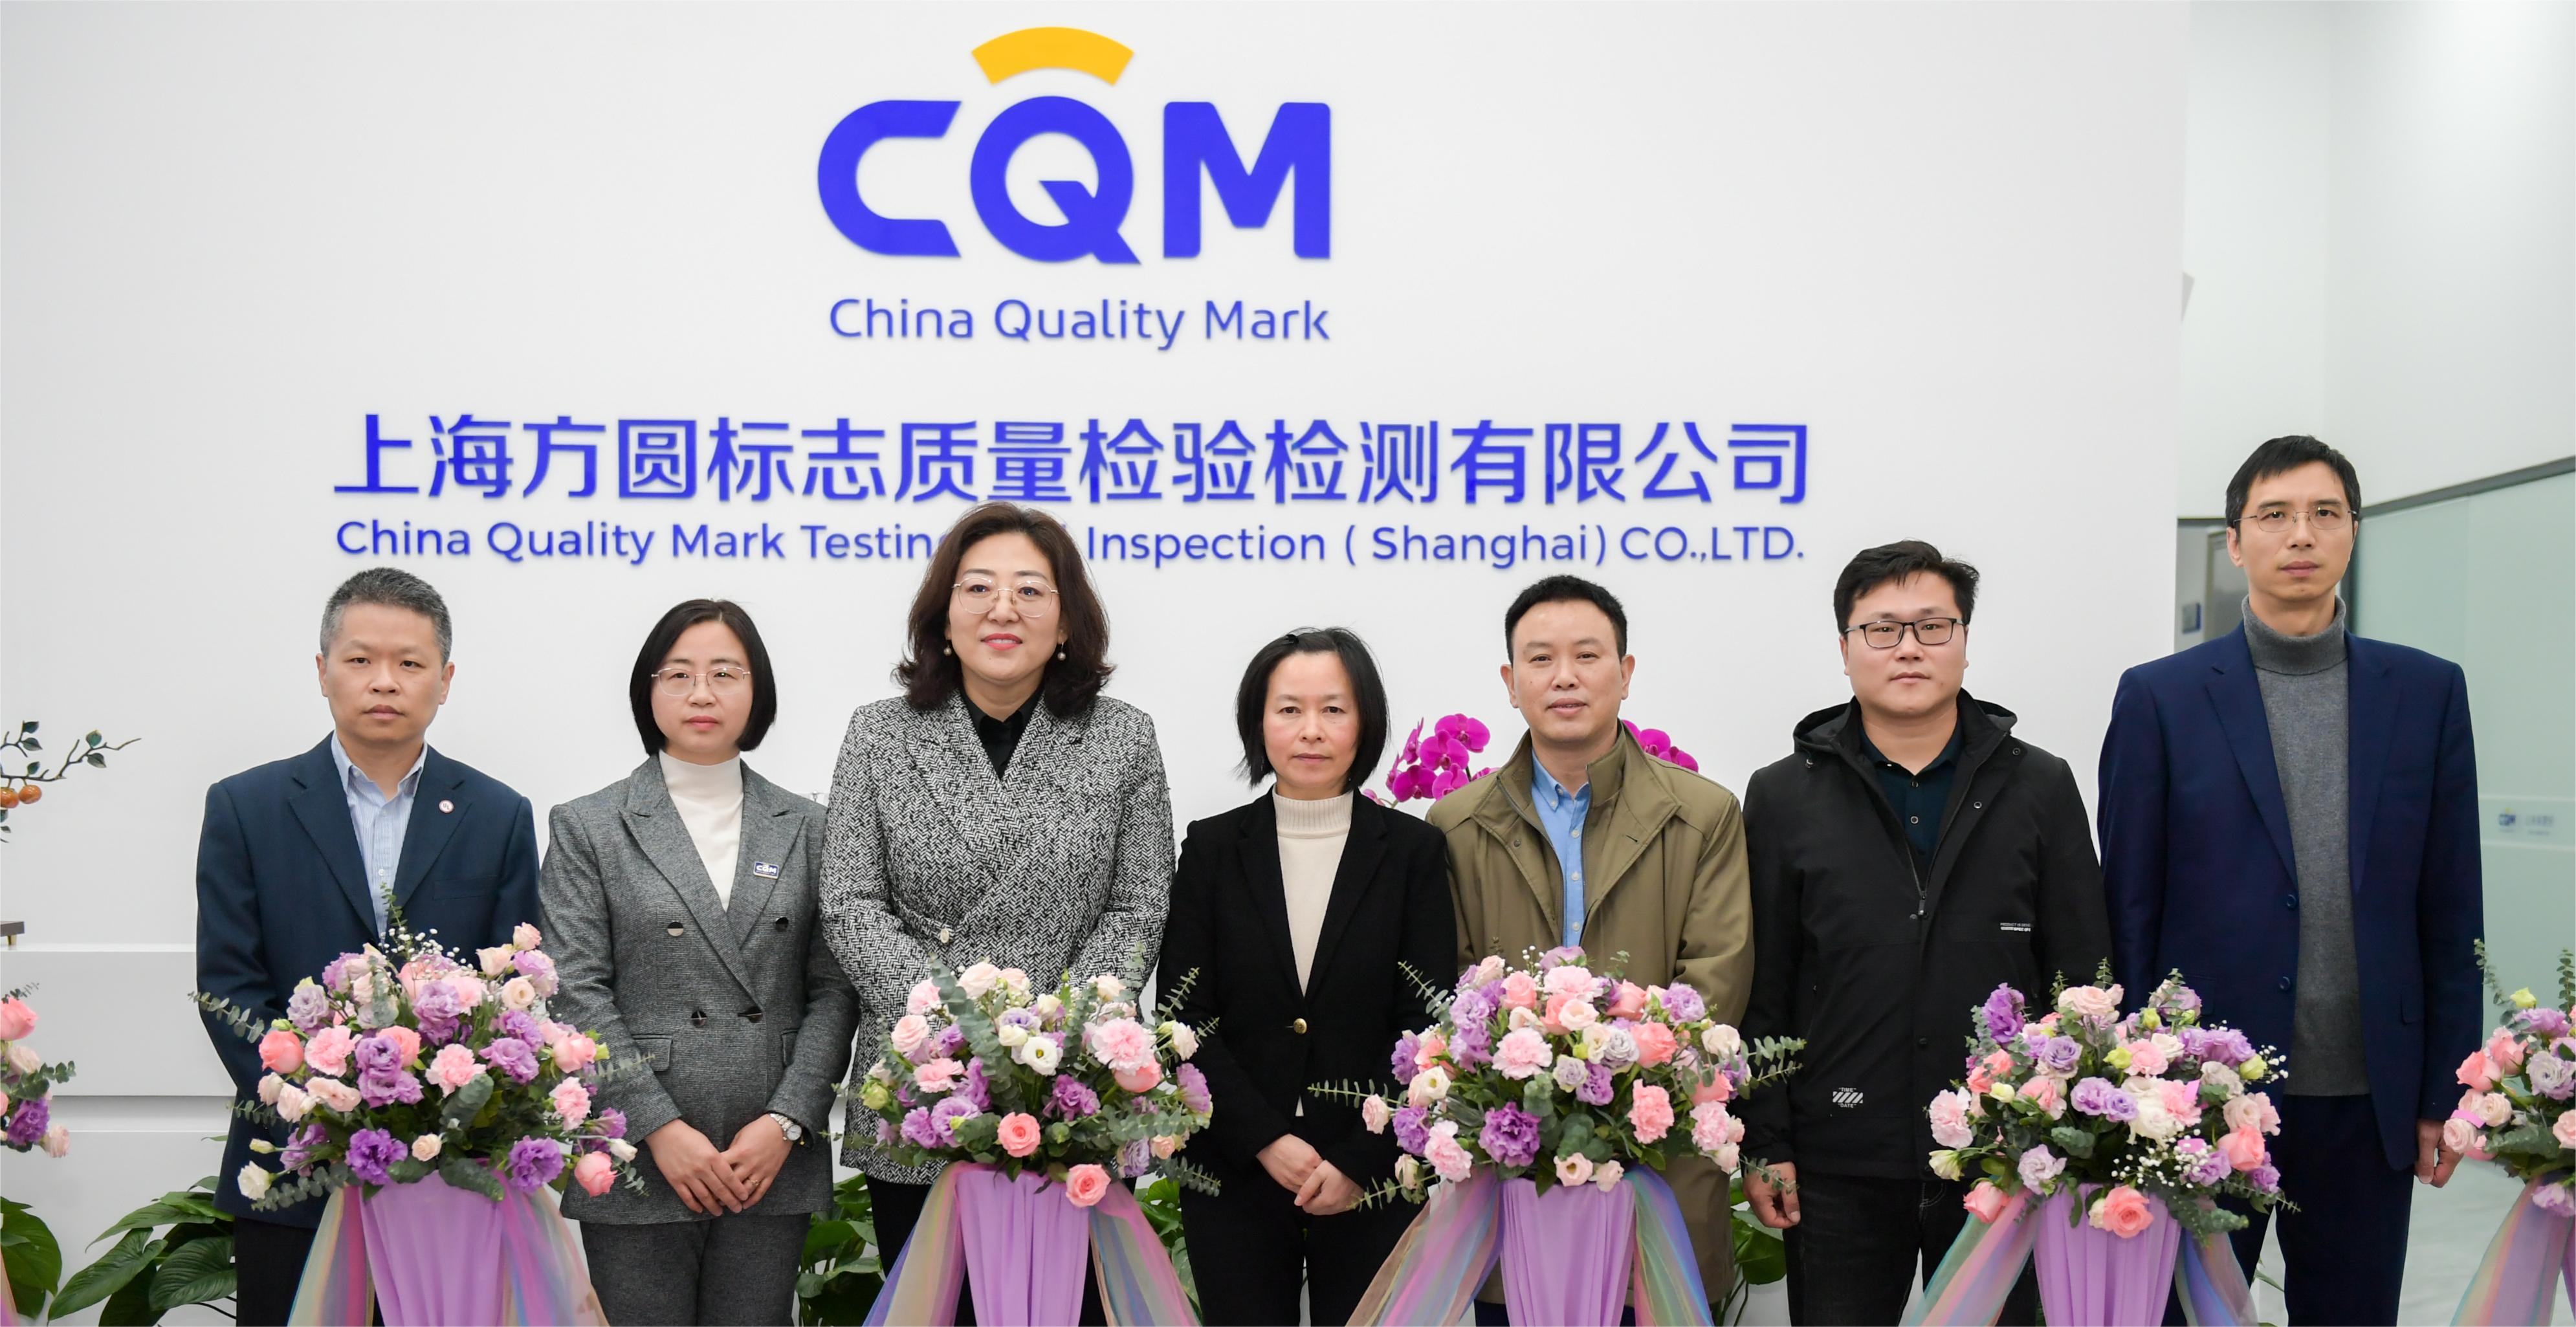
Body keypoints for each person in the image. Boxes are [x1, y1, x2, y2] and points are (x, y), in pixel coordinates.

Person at [2100, 435, 2483, 1325]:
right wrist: (2135, 1086)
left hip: (2369, 1092)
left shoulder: (2426, 691)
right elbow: (2129, 906)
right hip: (2203, 1095)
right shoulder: (2161, 697)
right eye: (2274, 515)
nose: (2300, 534)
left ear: (2354, 531)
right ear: (2235, 542)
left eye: (2324, 513)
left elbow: (2451, 903)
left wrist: (2446, 1089)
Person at [820, 501, 1174, 1324]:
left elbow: (1137, 906)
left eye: (1030, 590)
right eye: (978, 587)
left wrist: (1053, 1042)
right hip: (925, 1087)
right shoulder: (879, 734)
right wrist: (962, 1033)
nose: (1002, 608)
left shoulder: (1124, 737)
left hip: (1075, 1089)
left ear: (1067, 620)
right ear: (943, 616)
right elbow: (850, 901)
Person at [1739, 540, 2109, 1324]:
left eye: (1932, 626)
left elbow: (2082, 976)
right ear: (1845, 648)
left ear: (1965, 640)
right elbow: (1766, 984)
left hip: (2003, 1151)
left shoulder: (2040, 784)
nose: (1908, 647)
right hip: (1838, 1155)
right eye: (1882, 628)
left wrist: (2071, 1134)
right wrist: (1767, 1141)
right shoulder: (1782, 795)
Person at [196, 567, 540, 1325]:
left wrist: (438, 1123)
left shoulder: (498, 814)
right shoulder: (246, 807)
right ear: (323, 670)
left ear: (445, 679)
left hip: (447, 1180)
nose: (385, 680)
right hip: (296, 1171)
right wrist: (321, 1110)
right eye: (360, 659)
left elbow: (514, 996)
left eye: (410, 662)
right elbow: (228, 987)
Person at [1429, 574, 1754, 1322]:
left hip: (1659, 1171)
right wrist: (1532, 1103)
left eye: (1587, 655)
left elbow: (1715, 983)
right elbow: (1451, 997)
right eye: (1541, 659)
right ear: (1511, 681)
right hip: (1513, 1182)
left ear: (1626, 672)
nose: (1565, 676)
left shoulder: (1703, 814)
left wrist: (1615, 1092)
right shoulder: (1455, 824)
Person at [540, 599, 859, 1325]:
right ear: (647, 691)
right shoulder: (590, 824)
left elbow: (835, 989)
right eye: (678, 674)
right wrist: (658, 1126)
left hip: (765, 1151)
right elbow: (574, 989)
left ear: (757, 690)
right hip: (639, 1143)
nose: (701, 693)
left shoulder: (813, 826)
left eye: (724, 673)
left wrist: (787, 1119)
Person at [1160, 628, 1455, 1326]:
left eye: (1334, 709)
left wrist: (1357, 1159)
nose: (1311, 730)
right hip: (1235, 1163)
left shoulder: (1412, 851)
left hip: (1374, 1170)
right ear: (1258, 722)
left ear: (1365, 722)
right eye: (1289, 709)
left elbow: (1425, 1023)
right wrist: (1265, 1136)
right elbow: (1185, 1016)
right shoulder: (1213, 847)